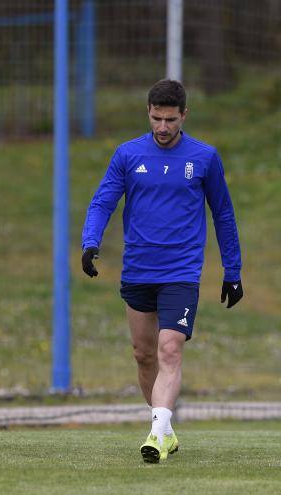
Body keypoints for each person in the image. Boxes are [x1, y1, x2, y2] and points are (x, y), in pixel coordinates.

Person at [80, 79, 243, 464]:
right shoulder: (127, 155)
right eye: (156, 119)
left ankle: (155, 434)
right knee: (143, 354)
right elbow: (103, 200)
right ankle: (165, 429)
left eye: (170, 119)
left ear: (184, 115)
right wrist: (91, 242)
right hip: (138, 268)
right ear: (148, 114)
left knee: (170, 349)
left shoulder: (204, 158)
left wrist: (232, 270)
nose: (163, 127)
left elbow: (223, 214)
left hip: (181, 272)